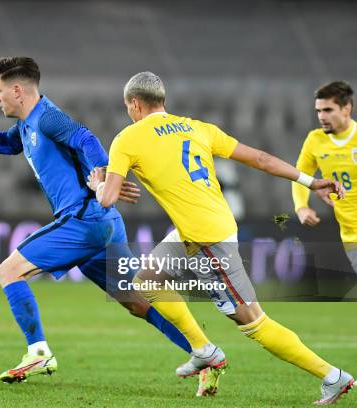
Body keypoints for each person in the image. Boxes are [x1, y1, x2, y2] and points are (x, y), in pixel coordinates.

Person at [89, 71, 353, 404]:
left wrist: (97, 184)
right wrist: (309, 181)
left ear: (134, 103)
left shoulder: (128, 138)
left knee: (252, 321)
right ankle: (204, 350)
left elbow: (107, 199)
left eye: (128, 106)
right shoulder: (198, 128)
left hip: (207, 239)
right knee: (146, 280)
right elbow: (260, 158)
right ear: (162, 101)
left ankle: (333, 377)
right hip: (203, 226)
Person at [0, 57, 193, 385]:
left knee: (8, 271)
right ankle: (202, 351)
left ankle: (38, 352)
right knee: (138, 302)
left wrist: (106, 176)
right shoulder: (27, 124)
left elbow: (86, 139)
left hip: (83, 220)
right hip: (103, 224)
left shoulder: (48, 117)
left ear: (17, 90)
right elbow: (8, 143)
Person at [293, 81, 357, 273]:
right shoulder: (315, 140)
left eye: (328, 110)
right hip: (351, 235)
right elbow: (300, 175)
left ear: (346, 109)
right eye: (318, 111)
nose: (322, 117)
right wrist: (301, 207)